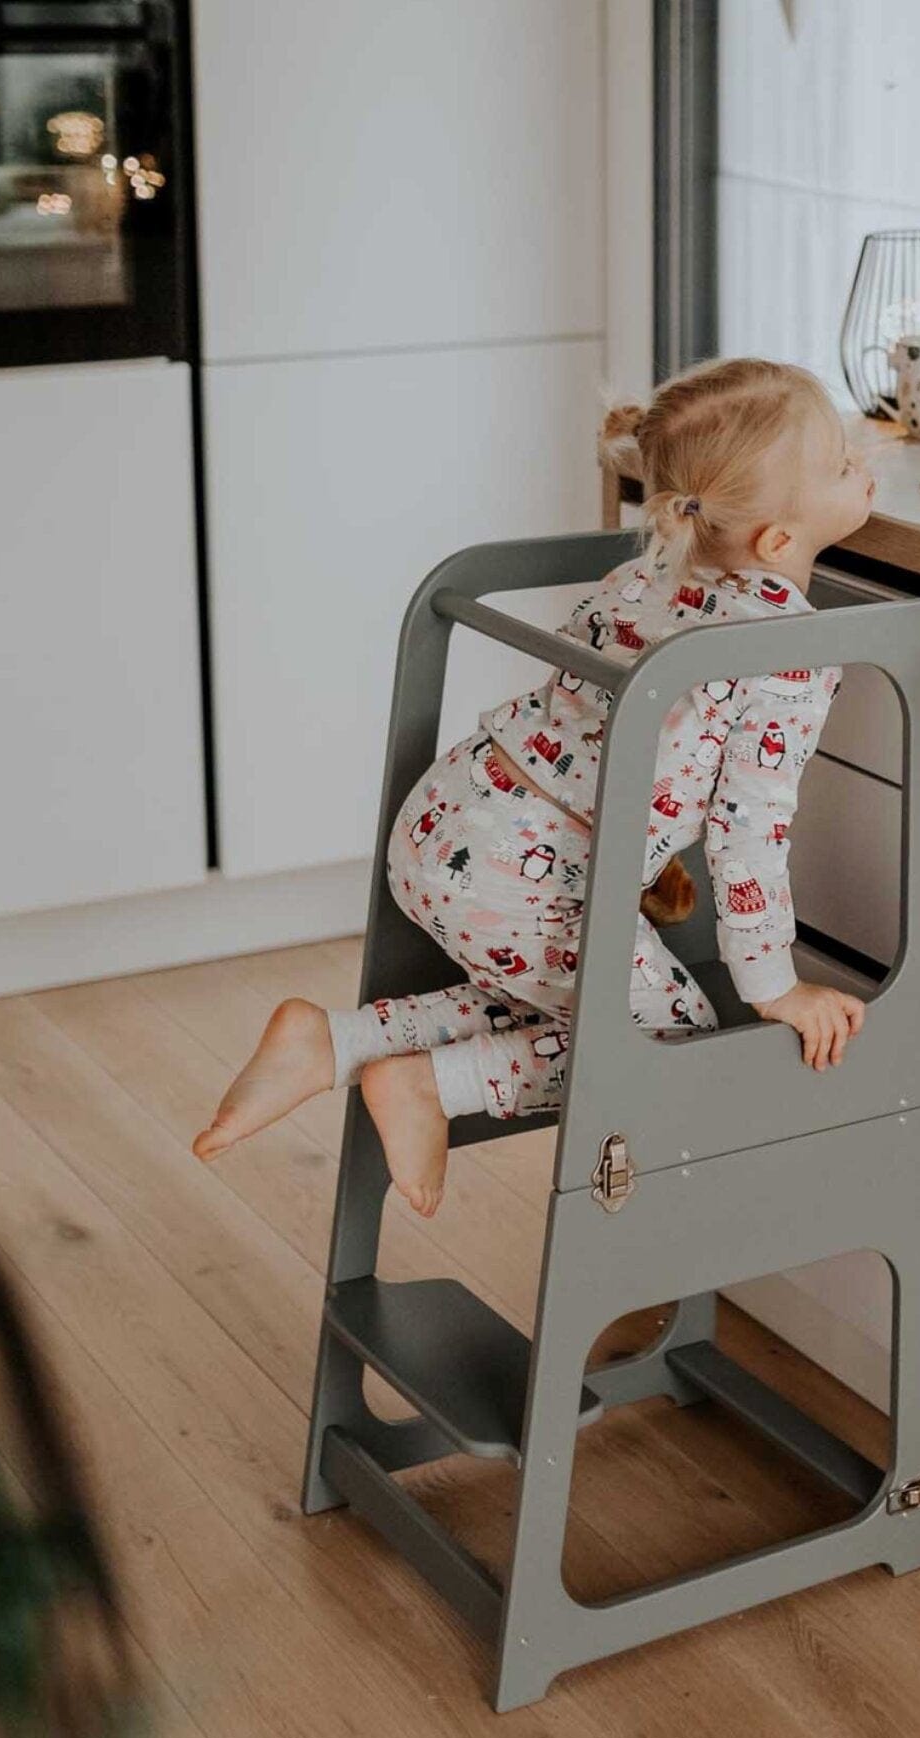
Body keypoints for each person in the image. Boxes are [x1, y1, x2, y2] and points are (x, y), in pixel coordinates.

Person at [192, 358, 874, 1215]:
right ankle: (430, 1084)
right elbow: (750, 832)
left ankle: (336, 1042)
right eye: (845, 461)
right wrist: (775, 985)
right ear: (778, 540)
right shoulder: (782, 655)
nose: (865, 460)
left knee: (555, 987)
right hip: (527, 876)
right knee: (662, 1033)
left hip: (448, 823)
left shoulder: (646, 575)